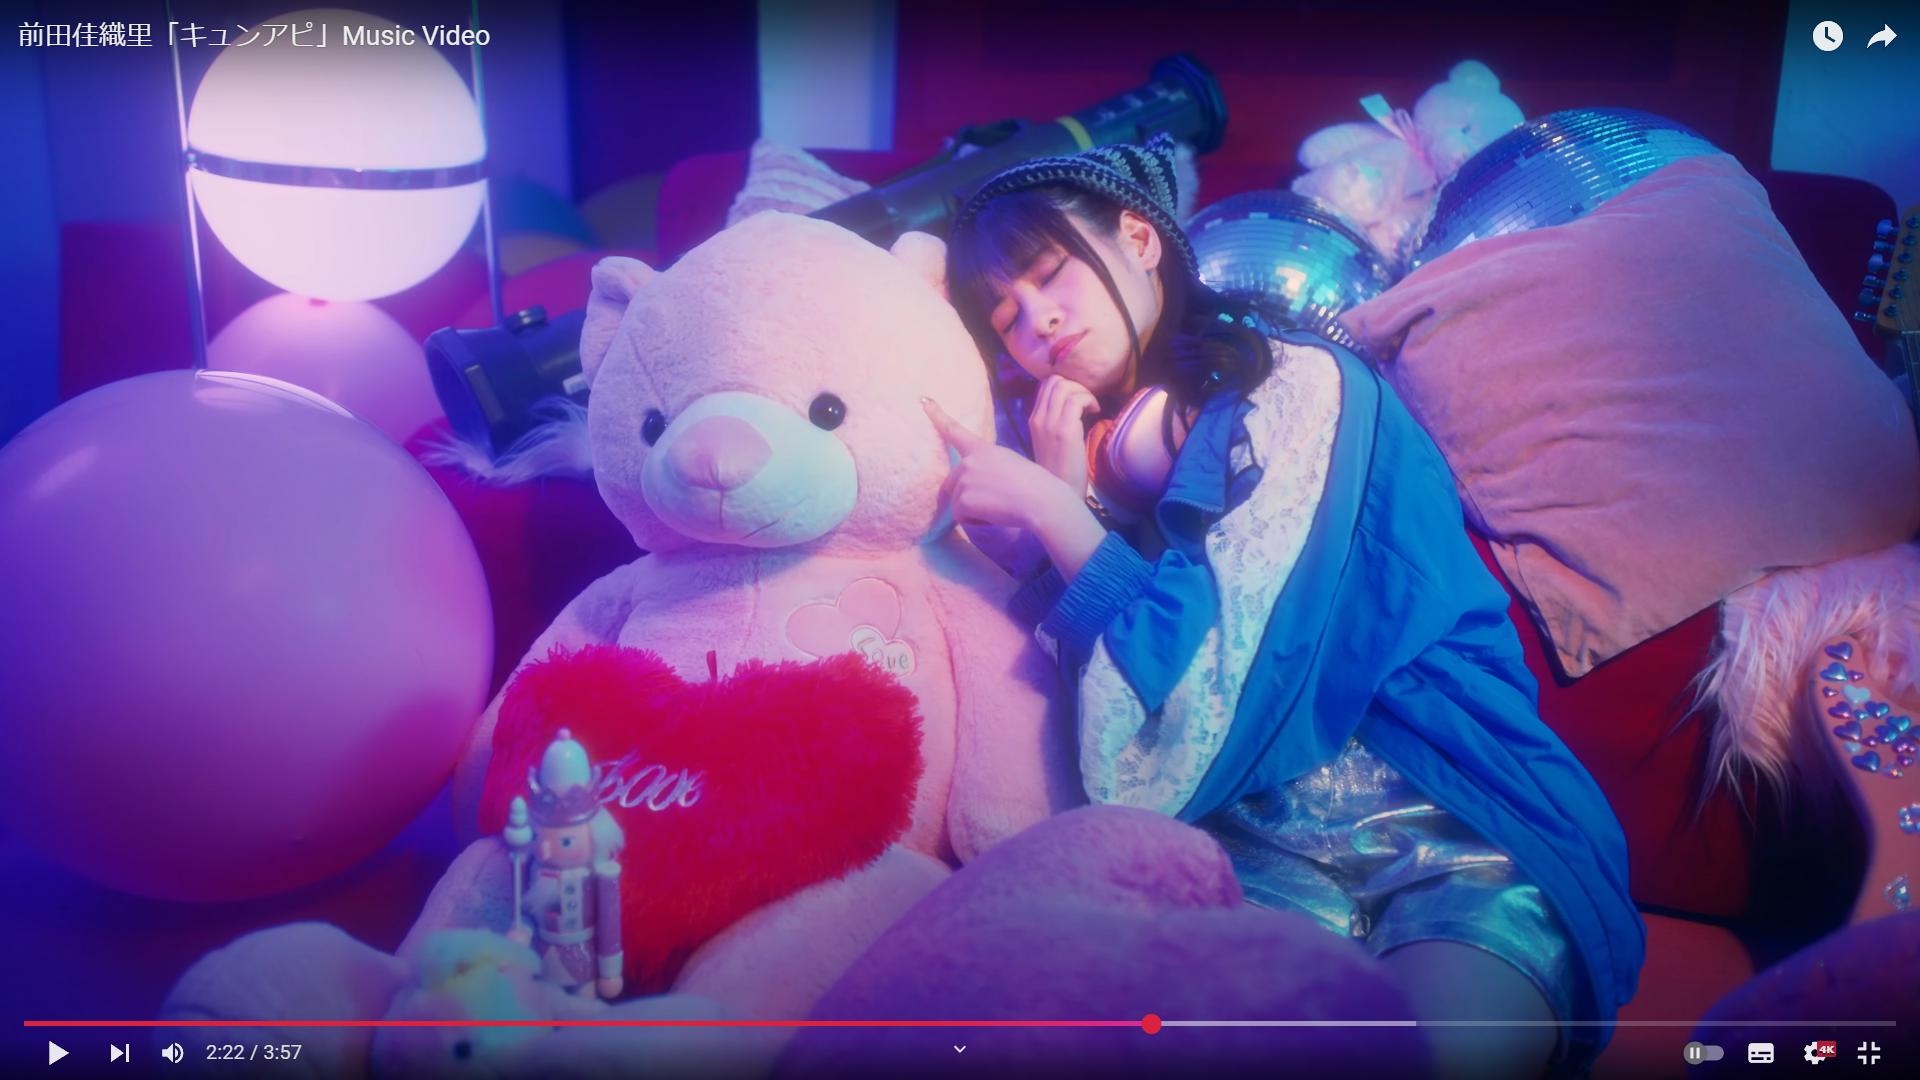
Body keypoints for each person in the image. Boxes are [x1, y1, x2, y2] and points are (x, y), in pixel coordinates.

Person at [920, 134, 1645, 1079]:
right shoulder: (1084, 474)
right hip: (1243, 853)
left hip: (1455, 818)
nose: (1038, 321)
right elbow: (1100, 755)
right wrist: (1065, 514)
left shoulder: (1300, 387)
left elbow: (1212, 673)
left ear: (1138, 238)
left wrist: (1059, 517)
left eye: (1052, 274)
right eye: (1007, 316)